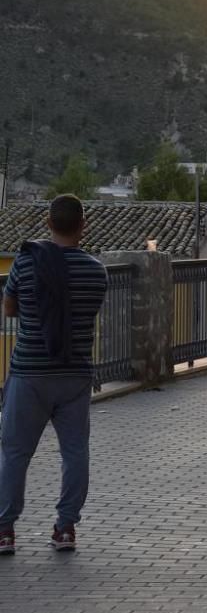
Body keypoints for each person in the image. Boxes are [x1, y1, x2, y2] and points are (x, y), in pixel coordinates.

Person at [0, 194, 108, 554]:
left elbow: (10, 306)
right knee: (74, 451)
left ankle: (5, 529)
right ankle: (65, 528)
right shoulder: (96, 272)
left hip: (29, 372)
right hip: (75, 374)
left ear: (48, 223)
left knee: (15, 452)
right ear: (83, 225)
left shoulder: (26, 264)